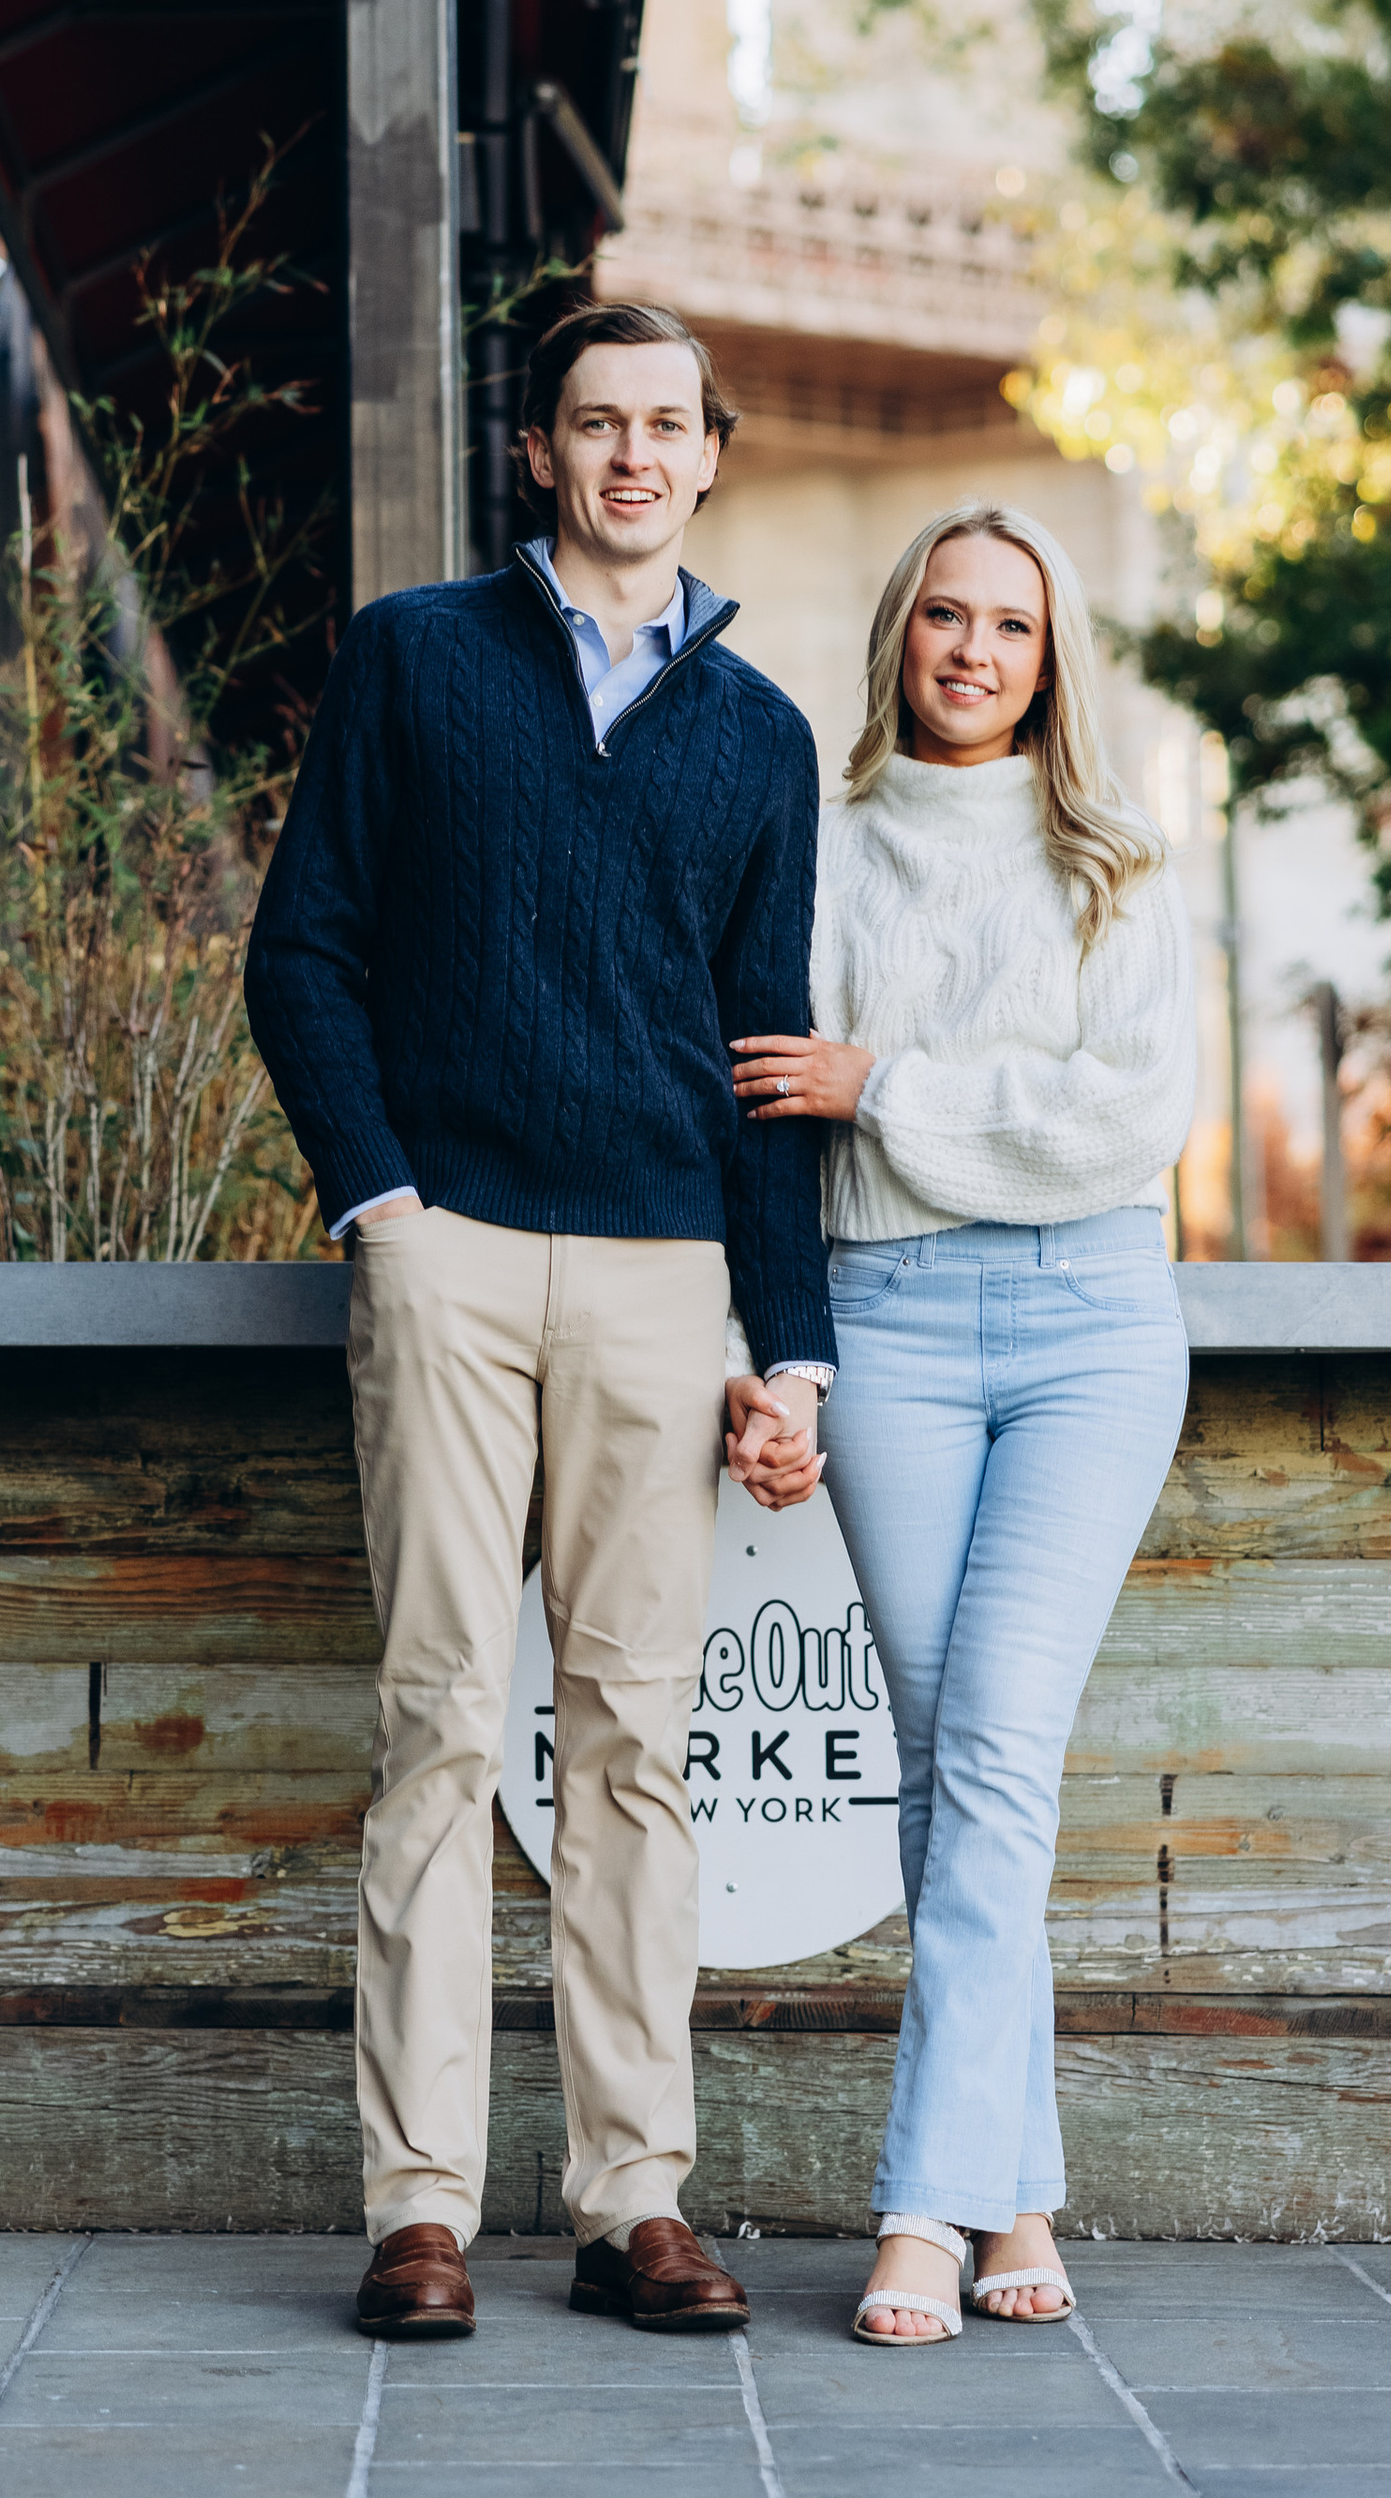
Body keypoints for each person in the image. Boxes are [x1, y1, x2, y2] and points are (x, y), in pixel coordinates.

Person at [245, 300, 835, 2349]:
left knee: (634, 1746)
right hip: (453, 1255)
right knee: (435, 1721)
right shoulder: (417, 658)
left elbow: (766, 1061)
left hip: (666, 1272)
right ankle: (417, 2207)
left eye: (667, 423)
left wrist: (790, 1343)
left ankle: (628, 2198)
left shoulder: (760, 734)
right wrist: (381, 1201)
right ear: (540, 449)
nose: (633, 454)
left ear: (711, 451)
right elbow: (303, 949)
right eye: (597, 421)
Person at [727, 503, 1194, 2346]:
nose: (975, 649)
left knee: (995, 1749)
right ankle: (1023, 2189)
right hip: (891, 1319)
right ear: (899, 633)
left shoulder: (1118, 858)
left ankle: (921, 2205)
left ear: (1051, 655)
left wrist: (889, 1088)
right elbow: (769, 1115)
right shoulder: (822, 848)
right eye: (946, 613)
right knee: (949, 1772)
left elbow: (1126, 1116)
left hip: (1092, 1324)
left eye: (1012, 622)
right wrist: (780, 1353)